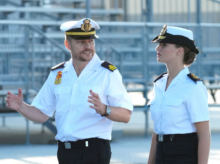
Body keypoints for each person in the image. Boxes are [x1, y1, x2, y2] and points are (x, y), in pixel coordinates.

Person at [5, 18, 133, 164]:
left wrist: (105, 109)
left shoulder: (107, 73)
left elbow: (126, 115)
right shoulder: (57, 74)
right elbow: (42, 114)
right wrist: (21, 107)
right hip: (65, 153)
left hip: (94, 152)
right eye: (81, 42)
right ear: (67, 45)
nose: (88, 46)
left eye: (90, 41)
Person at [147, 25, 210, 164]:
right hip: (160, 153)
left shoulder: (193, 87)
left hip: (183, 155)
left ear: (179, 51)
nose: (158, 48)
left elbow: (204, 134)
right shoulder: (159, 84)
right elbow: (157, 131)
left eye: (164, 45)